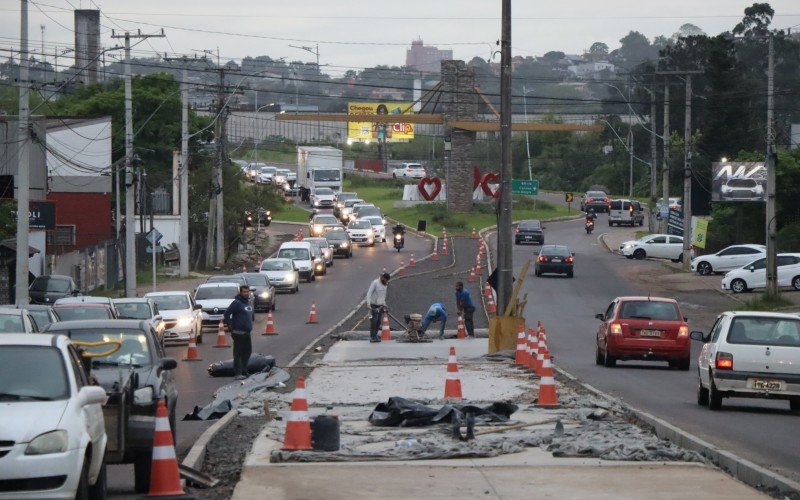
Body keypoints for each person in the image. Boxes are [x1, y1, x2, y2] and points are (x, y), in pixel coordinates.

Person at [223, 285, 254, 380]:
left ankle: (244, 371)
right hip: (238, 332)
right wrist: (230, 326)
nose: (246, 293)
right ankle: (238, 373)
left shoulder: (247, 302)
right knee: (238, 353)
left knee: (247, 352)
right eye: (244, 292)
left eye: (247, 291)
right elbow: (227, 313)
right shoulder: (237, 303)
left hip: (247, 332)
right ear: (240, 292)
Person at [366, 272, 391, 343]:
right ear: (383, 278)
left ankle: (375, 335)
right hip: (373, 305)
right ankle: (372, 336)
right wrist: (368, 303)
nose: (386, 282)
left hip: (380, 305)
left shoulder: (385, 284)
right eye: (386, 280)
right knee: (374, 321)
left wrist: (384, 304)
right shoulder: (375, 283)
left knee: (378, 321)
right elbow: (369, 293)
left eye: (387, 281)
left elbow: (383, 295)